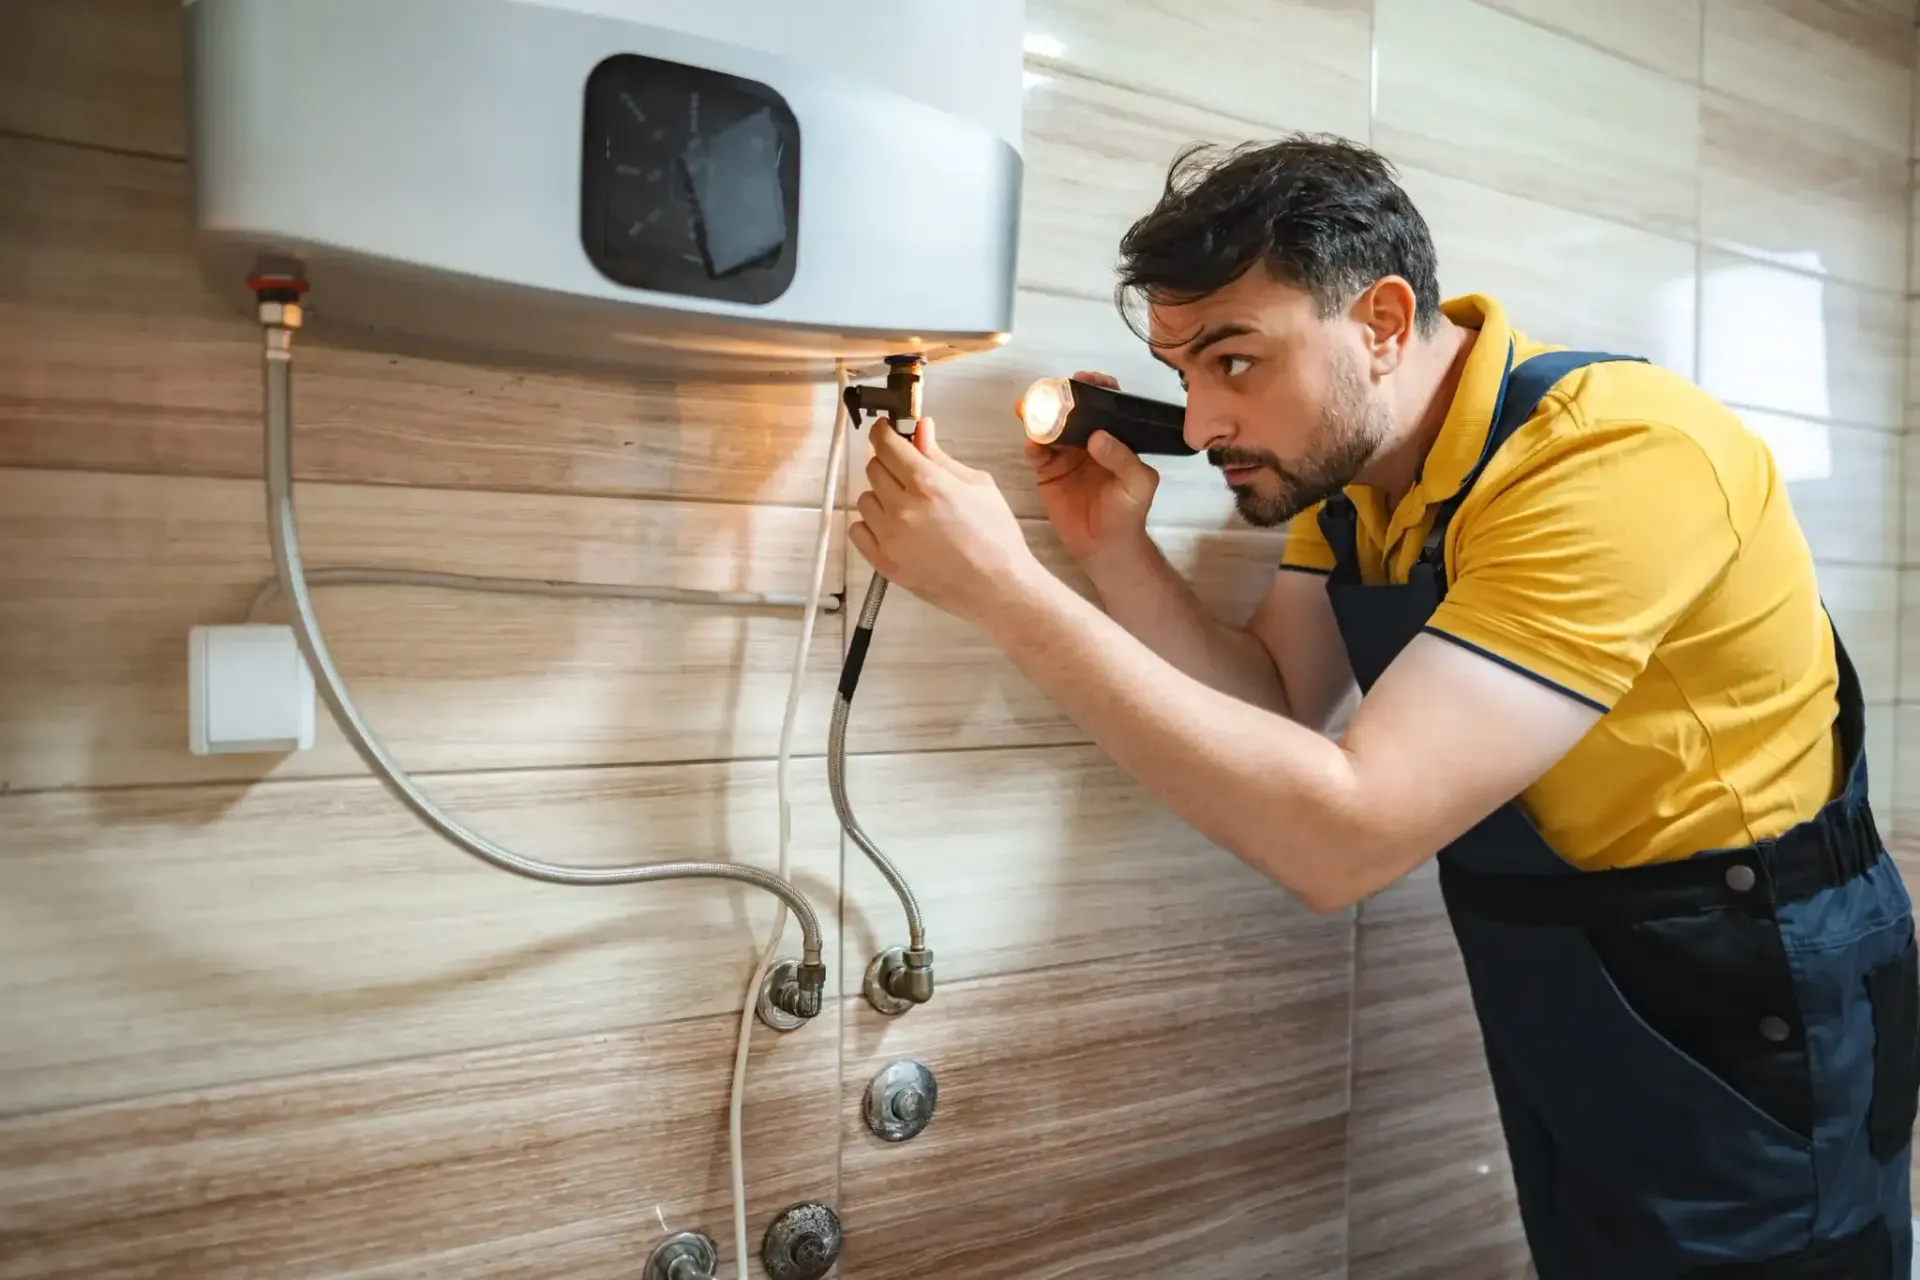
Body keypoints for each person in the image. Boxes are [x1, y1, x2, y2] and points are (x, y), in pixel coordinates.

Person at [846, 134, 1920, 1277]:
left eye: (1235, 361)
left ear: (1384, 323)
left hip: (1753, 996)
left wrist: (1005, 593)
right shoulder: (1356, 485)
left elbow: (1341, 839)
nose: (1200, 425)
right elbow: (1277, 703)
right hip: (1572, 990)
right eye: (1185, 374)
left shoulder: (1615, 457)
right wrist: (1114, 550)